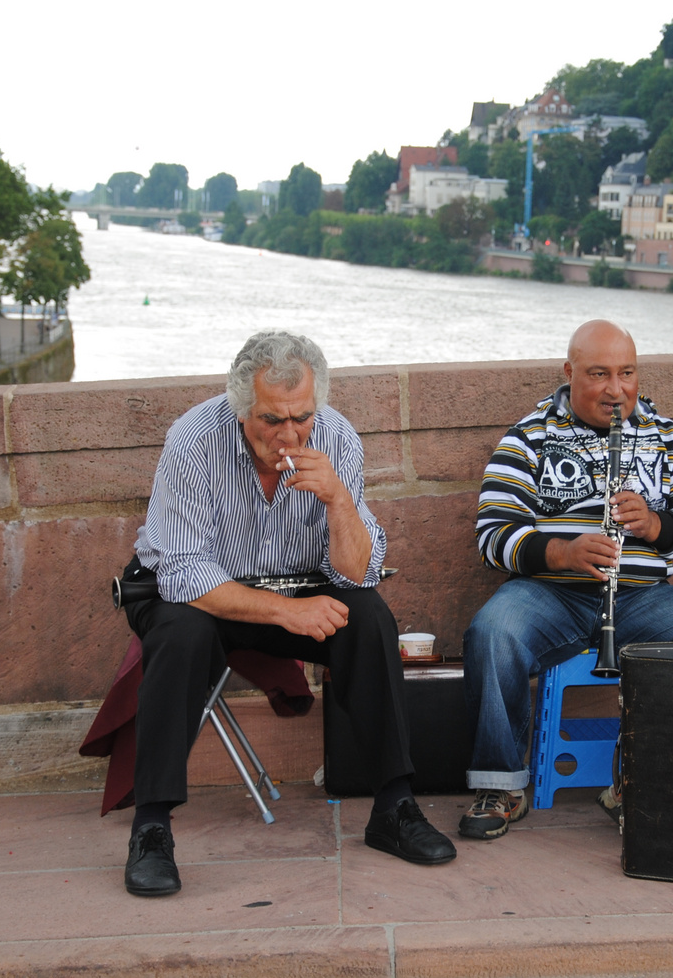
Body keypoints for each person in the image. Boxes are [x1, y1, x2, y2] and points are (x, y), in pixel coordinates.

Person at [122, 329, 455, 898]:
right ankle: (151, 827)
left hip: (298, 584)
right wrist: (285, 613)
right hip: (200, 595)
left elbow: (356, 573)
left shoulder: (336, 438)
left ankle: (394, 807)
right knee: (180, 633)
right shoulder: (193, 439)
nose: (288, 434)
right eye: (270, 420)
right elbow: (181, 574)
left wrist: (338, 500)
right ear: (240, 407)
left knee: (368, 616)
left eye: (300, 417)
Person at [460, 319, 673, 840]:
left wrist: (655, 524)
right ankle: (502, 785)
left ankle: (636, 776)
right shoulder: (531, 435)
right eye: (599, 374)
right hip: (549, 592)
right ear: (569, 372)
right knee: (493, 632)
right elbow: (492, 536)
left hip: (644, 596)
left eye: (627, 374)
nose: (616, 389)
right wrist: (563, 552)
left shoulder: (665, 436)